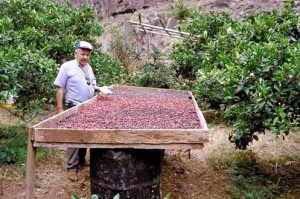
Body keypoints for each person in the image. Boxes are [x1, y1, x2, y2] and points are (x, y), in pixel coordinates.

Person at [54, 41, 99, 182]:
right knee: (73, 136)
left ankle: (80, 161)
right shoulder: (67, 67)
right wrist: (60, 109)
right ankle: (71, 167)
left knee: (84, 135)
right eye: (82, 54)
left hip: (88, 107)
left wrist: (100, 88)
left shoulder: (89, 68)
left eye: (87, 54)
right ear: (76, 53)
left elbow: (90, 84)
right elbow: (59, 87)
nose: (85, 57)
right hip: (73, 106)